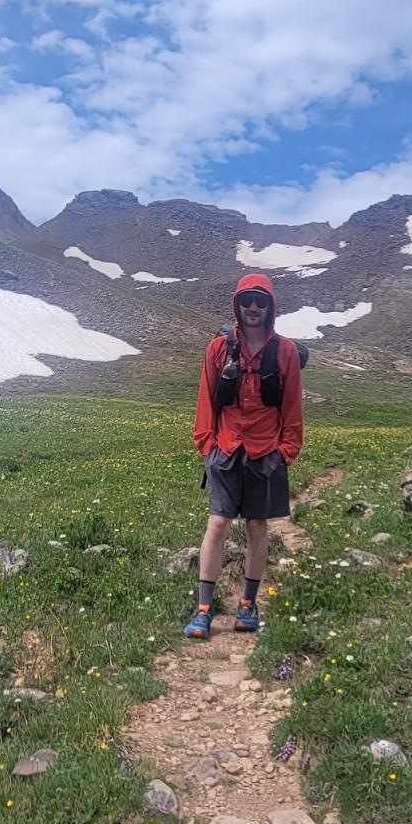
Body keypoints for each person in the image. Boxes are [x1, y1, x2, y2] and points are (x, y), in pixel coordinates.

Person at [185, 272, 304, 637]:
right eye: (247, 301)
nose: (254, 308)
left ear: (271, 307)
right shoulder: (218, 350)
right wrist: (206, 445)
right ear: (237, 305)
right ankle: (203, 608)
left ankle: (248, 606)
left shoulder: (285, 352)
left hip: (266, 451)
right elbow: (207, 398)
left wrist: (287, 451)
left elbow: (292, 404)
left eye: (261, 301)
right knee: (217, 524)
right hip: (225, 449)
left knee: (256, 526)